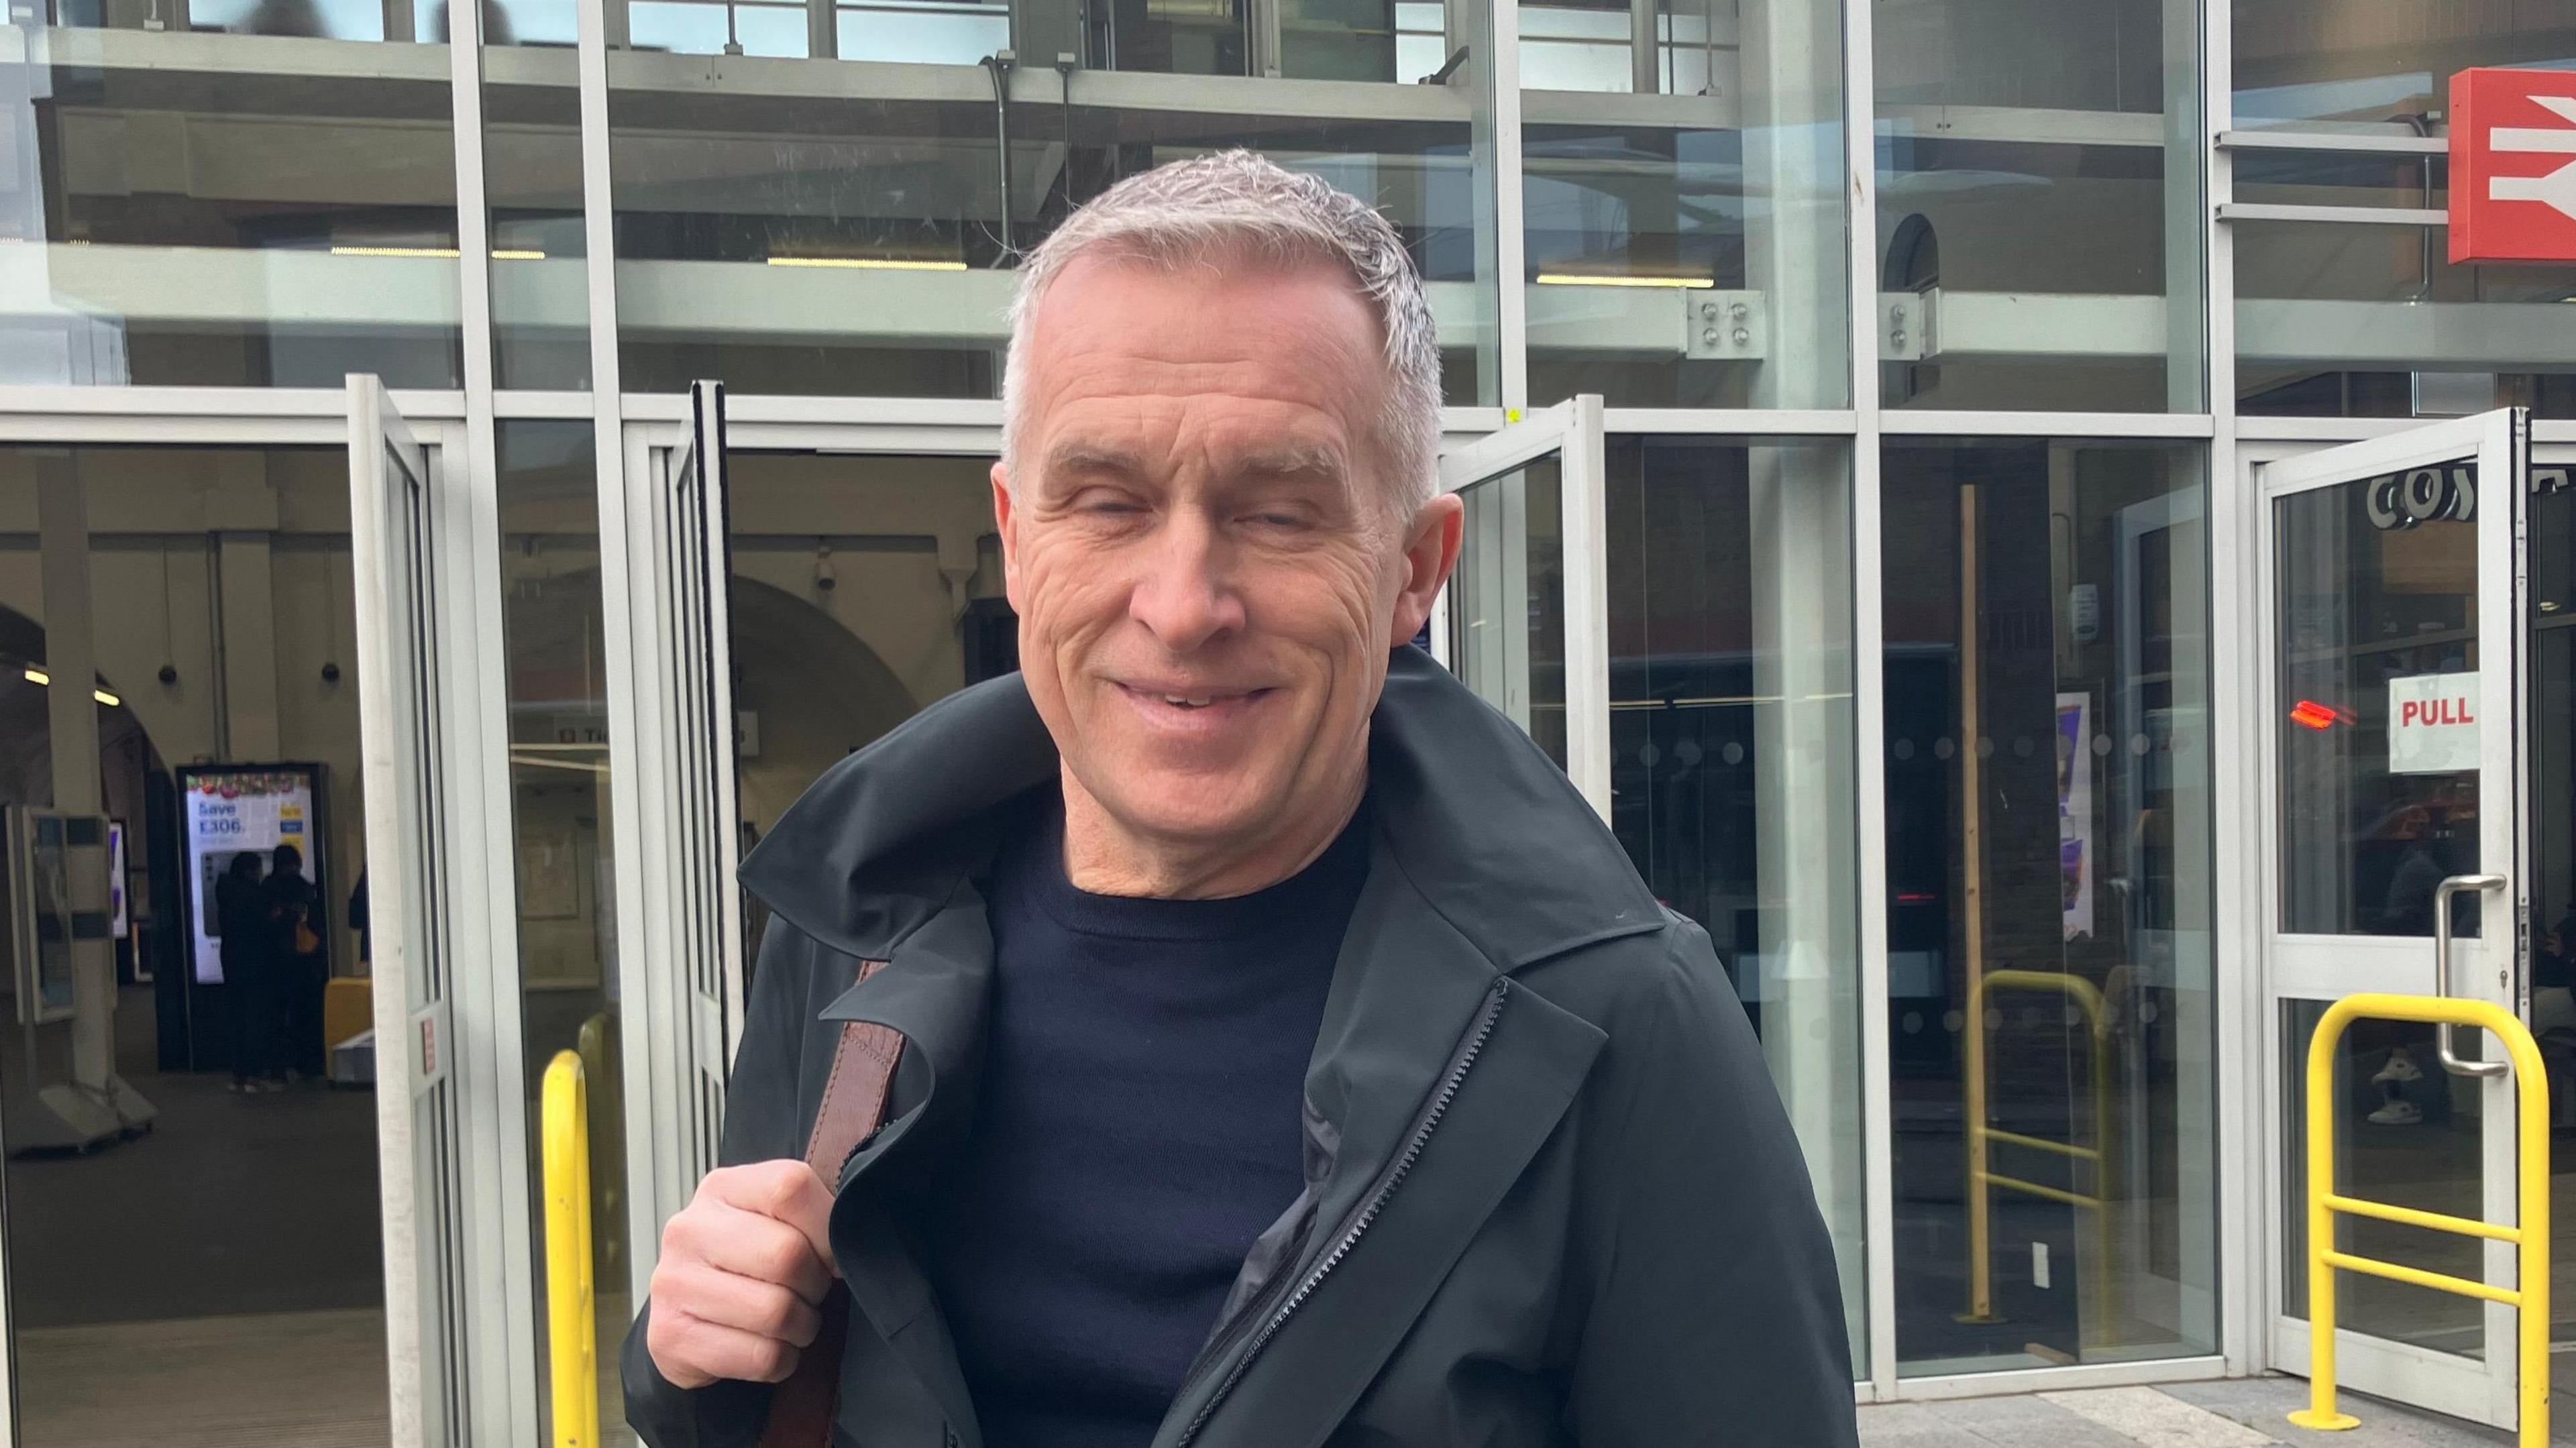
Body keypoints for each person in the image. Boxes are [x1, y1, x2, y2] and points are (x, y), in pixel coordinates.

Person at [625, 151, 1857, 1448]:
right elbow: (757, 1394)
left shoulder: (1614, 1017)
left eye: (1278, 512)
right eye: (1107, 502)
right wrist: (687, 1357)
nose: (1183, 604)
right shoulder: (850, 929)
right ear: (1017, 537)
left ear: (1414, 566)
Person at [261, 842, 327, 1082]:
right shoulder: (306, 890)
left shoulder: (267, 889)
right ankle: (308, 1063)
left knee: (276, 1016)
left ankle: (276, 1067)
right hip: (304, 961)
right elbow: (318, 924)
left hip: (276, 962)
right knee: (305, 1015)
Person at [217, 851, 276, 1094]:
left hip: (232, 962)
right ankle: (254, 1075)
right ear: (250, 871)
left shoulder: (225, 892)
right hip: (255, 964)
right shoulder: (254, 895)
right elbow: (263, 925)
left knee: (238, 1019)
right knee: (256, 1019)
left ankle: (240, 1075)